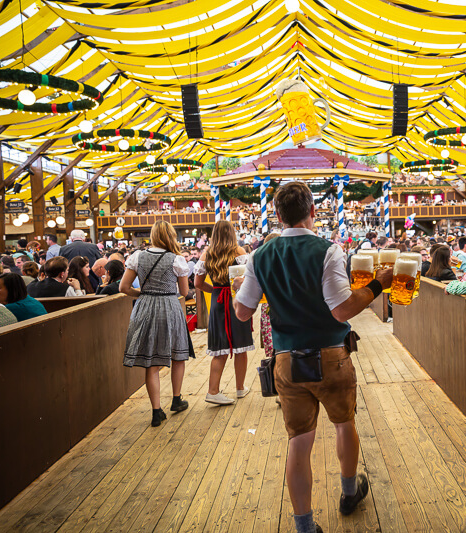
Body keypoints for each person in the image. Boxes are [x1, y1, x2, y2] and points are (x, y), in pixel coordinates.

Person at [233, 181, 392, 533]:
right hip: (331, 356)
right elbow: (341, 310)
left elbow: (242, 311)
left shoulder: (260, 255)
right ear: (313, 212)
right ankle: (349, 494)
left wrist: (238, 289)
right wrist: (378, 284)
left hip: (287, 360)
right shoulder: (329, 250)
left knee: (299, 441)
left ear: (277, 215)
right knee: (343, 423)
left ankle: (304, 526)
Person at [120, 220, 193, 427]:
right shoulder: (177, 259)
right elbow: (185, 292)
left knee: (151, 361)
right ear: (171, 236)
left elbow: (124, 288)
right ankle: (177, 399)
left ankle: (155, 411)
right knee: (178, 354)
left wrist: (143, 293)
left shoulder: (137, 256)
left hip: (144, 307)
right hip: (169, 306)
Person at [194, 219, 253, 406]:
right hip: (236, 299)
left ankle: (213, 390)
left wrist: (213, 290)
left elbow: (197, 284)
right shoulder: (239, 252)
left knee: (220, 347)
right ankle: (240, 388)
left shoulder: (206, 254)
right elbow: (246, 279)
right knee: (241, 347)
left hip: (218, 300)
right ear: (232, 233)